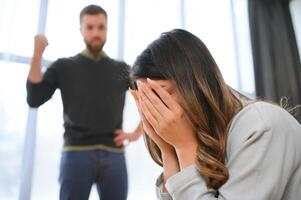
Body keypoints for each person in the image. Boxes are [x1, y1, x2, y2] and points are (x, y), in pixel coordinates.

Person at [129, 29, 301, 199]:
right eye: (146, 100)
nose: (153, 108)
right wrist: (168, 151)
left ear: (194, 83)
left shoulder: (261, 126)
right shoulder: (205, 135)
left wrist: (184, 147)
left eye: (159, 94)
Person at [26, 4, 142, 200]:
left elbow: (149, 100)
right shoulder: (64, 66)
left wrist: (136, 134)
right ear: (81, 29)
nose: (95, 32)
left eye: (101, 27)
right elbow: (34, 97)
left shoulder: (122, 69)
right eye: (89, 27)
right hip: (76, 153)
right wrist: (37, 54)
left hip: (114, 154)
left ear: (107, 29)